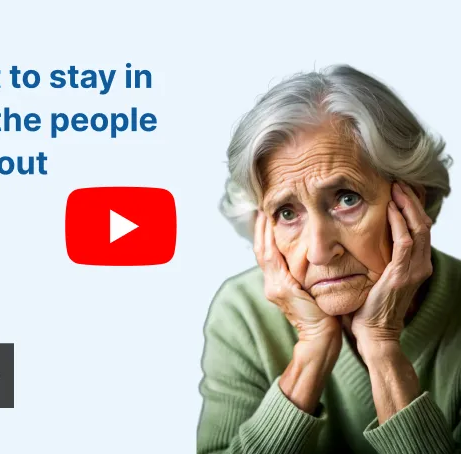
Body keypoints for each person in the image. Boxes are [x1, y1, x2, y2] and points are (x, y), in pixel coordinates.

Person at [196, 64, 461, 453]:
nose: (319, 250)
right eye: (287, 213)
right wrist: (312, 351)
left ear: (410, 203)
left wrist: (383, 349)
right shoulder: (243, 314)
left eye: (346, 199)